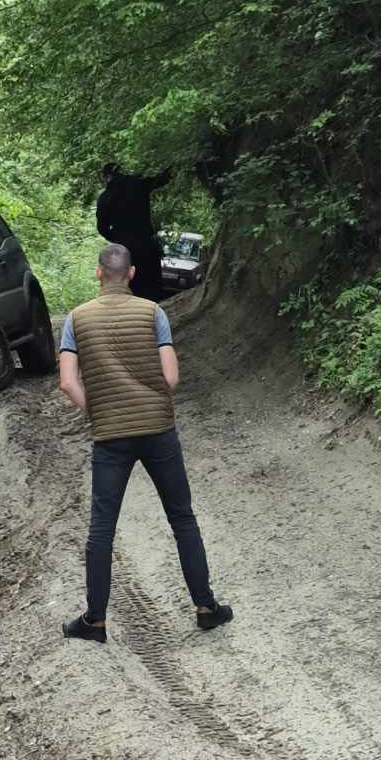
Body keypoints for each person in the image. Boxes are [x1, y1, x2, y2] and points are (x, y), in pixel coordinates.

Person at [58, 243, 233, 644]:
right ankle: (206, 608)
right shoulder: (153, 312)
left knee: (102, 528)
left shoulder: (76, 319)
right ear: (132, 274)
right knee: (182, 518)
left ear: (98, 273)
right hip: (158, 430)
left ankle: (95, 622)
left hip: (110, 437)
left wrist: (98, 410)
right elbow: (170, 377)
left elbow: (67, 382)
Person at [96, 161, 171, 301]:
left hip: (124, 251)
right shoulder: (138, 184)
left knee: (127, 289)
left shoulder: (105, 198)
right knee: (152, 289)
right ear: (121, 172)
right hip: (147, 245)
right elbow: (161, 179)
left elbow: (102, 228)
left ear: (106, 177)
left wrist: (117, 238)